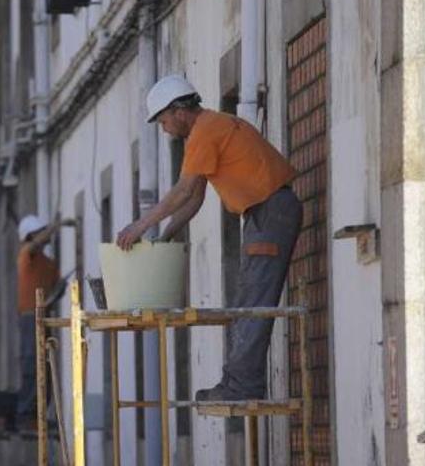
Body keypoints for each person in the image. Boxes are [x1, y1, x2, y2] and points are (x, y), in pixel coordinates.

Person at [116, 75, 302, 401]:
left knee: (252, 302)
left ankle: (241, 387)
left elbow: (183, 190)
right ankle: (238, 383)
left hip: (270, 213)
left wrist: (140, 226)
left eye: (163, 121)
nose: (164, 129)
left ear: (178, 111)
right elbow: (196, 197)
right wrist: (166, 236)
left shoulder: (205, 131)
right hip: (269, 212)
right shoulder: (211, 127)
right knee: (248, 301)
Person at [15, 214, 74, 427]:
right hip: (30, 317)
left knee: (45, 365)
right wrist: (58, 225)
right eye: (41, 231)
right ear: (31, 235)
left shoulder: (48, 264)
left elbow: (55, 286)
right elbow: (33, 245)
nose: (45, 235)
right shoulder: (26, 255)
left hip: (44, 316)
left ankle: (39, 414)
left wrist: (58, 291)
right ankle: (26, 414)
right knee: (32, 363)